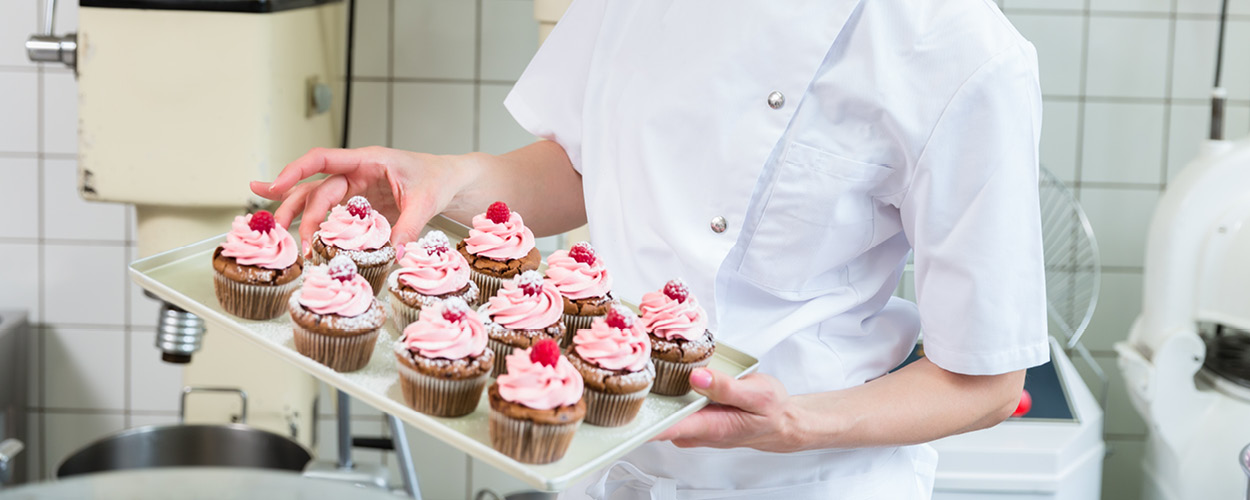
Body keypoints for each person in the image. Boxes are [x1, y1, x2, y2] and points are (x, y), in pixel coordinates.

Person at [253, 0, 1048, 497]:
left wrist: (794, 422)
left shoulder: (966, 55)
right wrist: (440, 179)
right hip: (611, 469)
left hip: (800, 482)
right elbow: (584, 165)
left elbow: (982, 383)